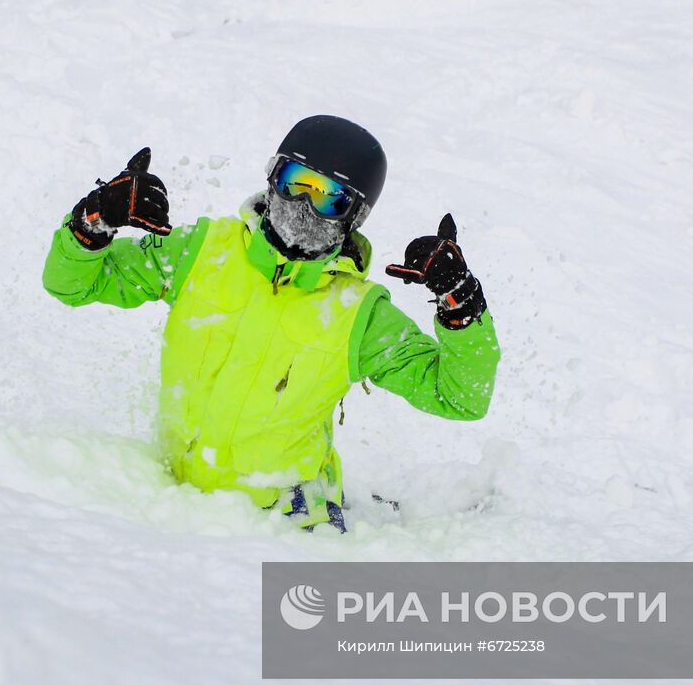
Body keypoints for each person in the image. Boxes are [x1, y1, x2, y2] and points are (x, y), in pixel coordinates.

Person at [42, 115, 500, 532]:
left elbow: (461, 397)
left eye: (329, 198)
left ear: (354, 216)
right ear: (272, 177)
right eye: (296, 182)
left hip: (284, 531)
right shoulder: (203, 252)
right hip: (171, 504)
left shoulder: (359, 313)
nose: (303, 206)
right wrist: (96, 219)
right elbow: (71, 284)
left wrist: (461, 307)